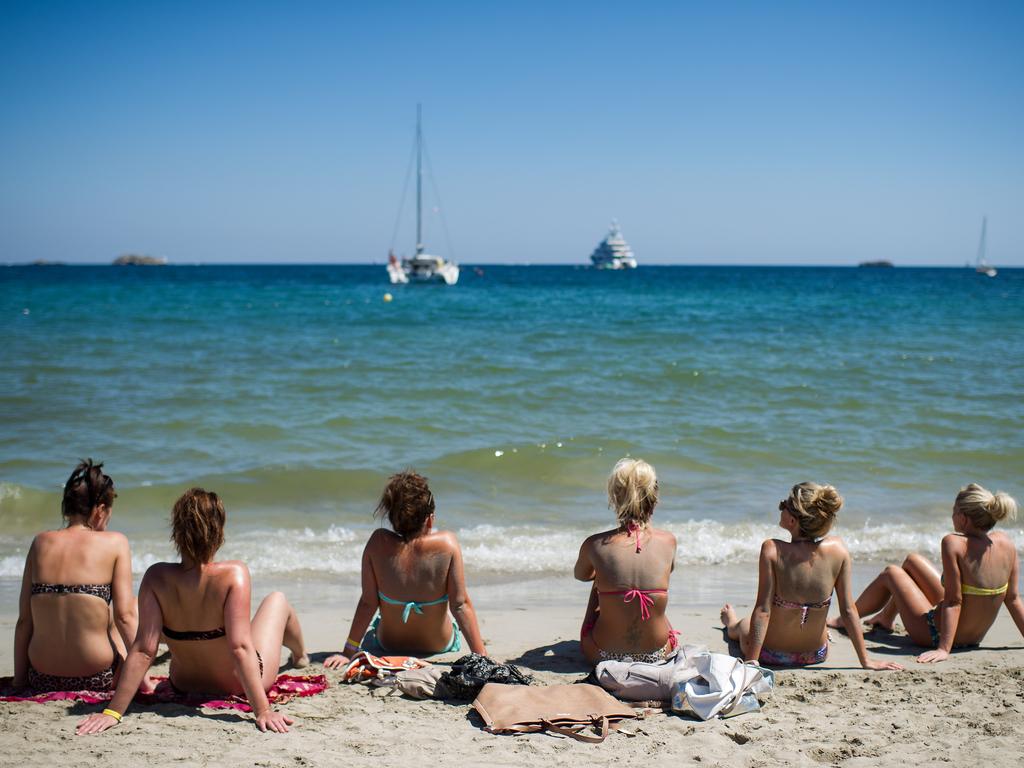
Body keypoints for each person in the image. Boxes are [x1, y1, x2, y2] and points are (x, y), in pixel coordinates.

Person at [76, 488, 307, 734]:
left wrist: (113, 712)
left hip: (183, 684)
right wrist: (263, 710)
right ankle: (300, 656)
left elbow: (144, 649)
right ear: (218, 530)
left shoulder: (156, 576)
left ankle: (298, 655)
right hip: (235, 684)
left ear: (177, 531)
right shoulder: (233, 574)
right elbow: (239, 648)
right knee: (277, 600)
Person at [826, 483, 1023, 663]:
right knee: (912, 561)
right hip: (974, 636)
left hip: (935, 633)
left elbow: (954, 601)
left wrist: (943, 649)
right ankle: (885, 618)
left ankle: (845, 620)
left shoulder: (954, 543)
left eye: (953, 512)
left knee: (891, 573)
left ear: (963, 519)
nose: (952, 516)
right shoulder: (1006, 543)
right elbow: (1013, 599)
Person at [721, 482, 902, 671]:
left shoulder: (773, 550)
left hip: (771, 654)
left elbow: (763, 611)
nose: (780, 507)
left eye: (785, 505)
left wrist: (752, 662)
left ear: (793, 521)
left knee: (744, 625)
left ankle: (730, 622)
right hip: (815, 654)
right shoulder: (838, 549)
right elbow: (848, 610)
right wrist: (866, 661)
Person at [324, 470, 486, 669]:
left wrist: (349, 651)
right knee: (451, 613)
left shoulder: (377, 543)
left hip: (389, 645)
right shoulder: (447, 544)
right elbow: (460, 605)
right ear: (429, 519)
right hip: (439, 644)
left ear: (393, 517)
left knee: (376, 624)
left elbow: (368, 603)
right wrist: (481, 656)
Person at [13, 460, 143, 692]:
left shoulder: (40, 542)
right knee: (121, 613)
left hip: (41, 677)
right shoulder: (115, 542)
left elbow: (24, 621)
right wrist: (144, 682)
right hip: (98, 676)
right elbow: (125, 619)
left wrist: (20, 681)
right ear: (100, 510)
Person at [574, 458, 679, 665]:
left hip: (601, 654)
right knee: (653, 593)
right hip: (658, 654)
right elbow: (669, 571)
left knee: (599, 581)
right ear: (654, 497)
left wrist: (605, 575)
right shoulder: (669, 541)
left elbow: (581, 575)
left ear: (615, 498)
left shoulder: (594, 544)